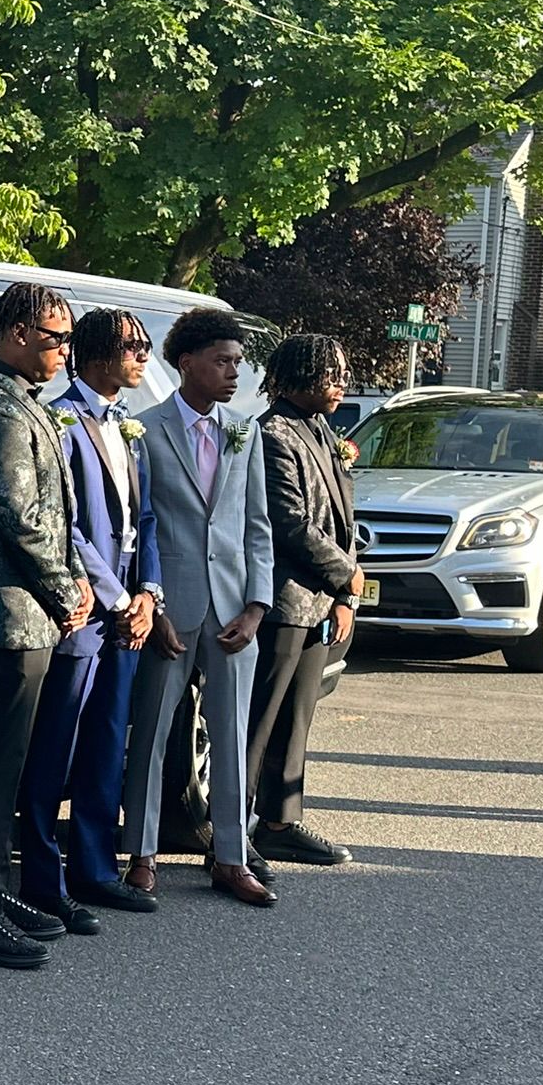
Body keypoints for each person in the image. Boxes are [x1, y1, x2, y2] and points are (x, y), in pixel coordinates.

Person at [0, 282, 95, 968]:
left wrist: (77, 580)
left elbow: (53, 517)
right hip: (1, 612)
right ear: (18, 334)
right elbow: (19, 518)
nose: (67, 351)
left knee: (9, 763)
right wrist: (67, 591)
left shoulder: (20, 404)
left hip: (25, 612)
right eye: (58, 338)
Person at [121, 308, 277, 907]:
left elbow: (256, 526)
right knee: (154, 733)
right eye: (222, 361)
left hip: (237, 609)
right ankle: (140, 853)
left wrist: (257, 606)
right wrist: (152, 603)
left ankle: (232, 857)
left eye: (238, 362)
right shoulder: (146, 429)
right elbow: (139, 526)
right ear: (186, 363)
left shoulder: (245, 431)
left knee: (233, 737)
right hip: (171, 608)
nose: (234, 372)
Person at [17, 308, 163, 927]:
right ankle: (43, 879)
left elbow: (147, 520)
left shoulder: (128, 426)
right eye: (135, 348)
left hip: (129, 612)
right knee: (59, 744)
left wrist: (149, 593)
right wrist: (112, 596)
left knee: (108, 741)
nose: (143, 359)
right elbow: (65, 526)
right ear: (99, 354)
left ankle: (96, 869)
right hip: (84, 609)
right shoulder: (61, 421)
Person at [245, 333, 363, 866]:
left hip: (321, 599)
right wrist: (345, 571)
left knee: (298, 716)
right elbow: (288, 522)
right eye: (329, 374)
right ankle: (234, 831)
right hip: (284, 598)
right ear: (297, 377)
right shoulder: (273, 433)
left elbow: (343, 519)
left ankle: (280, 822)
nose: (341, 384)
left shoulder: (320, 430)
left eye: (341, 374)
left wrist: (344, 594)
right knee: (260, 720)